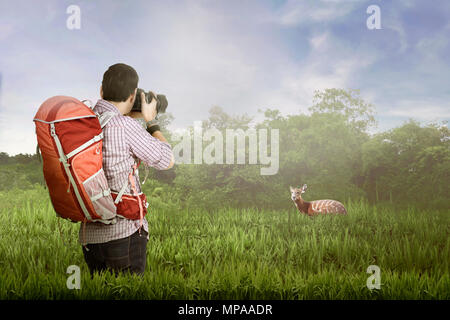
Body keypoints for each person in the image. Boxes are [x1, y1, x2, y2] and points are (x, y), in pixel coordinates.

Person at [80, 63, 174, 276]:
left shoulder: (86, 121)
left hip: (89, 237)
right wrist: (152, 122)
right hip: (124, 234)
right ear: (133, 96)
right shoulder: (125, 126)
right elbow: (167, 160)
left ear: (101, 91)